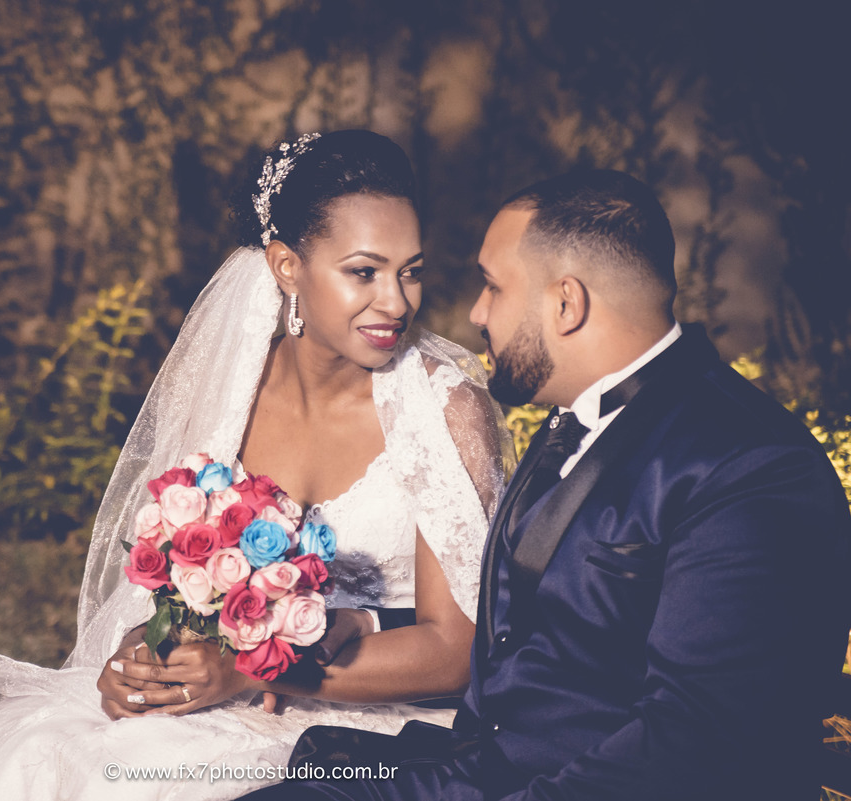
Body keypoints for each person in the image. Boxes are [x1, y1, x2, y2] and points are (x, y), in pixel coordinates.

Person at [0, 129, 513, 801]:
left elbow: (459, 650)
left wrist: (256, 671)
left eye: (412, 270)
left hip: (375, 725)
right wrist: (143, 656)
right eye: (364, 272)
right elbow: (168, 588)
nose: (397, 301)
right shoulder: (224, 386)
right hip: (221, 700)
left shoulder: (442, 406)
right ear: (286, 266)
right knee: (46, 753)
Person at [243, 169, 851, 800]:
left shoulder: (750, 470)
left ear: (566, 303)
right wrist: (367, 623)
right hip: (476, 769)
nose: (476, 313)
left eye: (493, 286)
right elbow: (550, 619)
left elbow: (695, 741)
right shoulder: (574, 418)